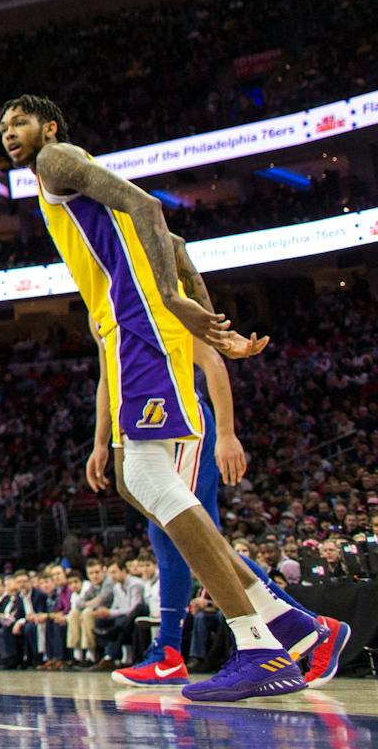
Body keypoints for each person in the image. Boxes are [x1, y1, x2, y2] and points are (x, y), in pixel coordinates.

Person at [0, 95, 334, 702]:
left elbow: (149, 204)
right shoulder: (75, 189)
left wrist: (177, 304)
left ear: (49, 127)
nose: (8, 132)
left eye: (19, 121)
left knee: (151, 482)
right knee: (135, 484)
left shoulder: (56, 161)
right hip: (131, 329)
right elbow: (175, 242)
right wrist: (209, 321)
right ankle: (292, 625)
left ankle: (259, 646)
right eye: (1, 126)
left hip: (139, 328)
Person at [110, 270, 347, 687]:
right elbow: (107, 381)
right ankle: (309, 630)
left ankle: (171, 649)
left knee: (186, 536)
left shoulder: (159, 301)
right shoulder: (115, 305)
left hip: (186, 426)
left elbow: (214, 363)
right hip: (151, 428)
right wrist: (104, 442)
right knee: (188, 537)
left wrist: (228, 434)